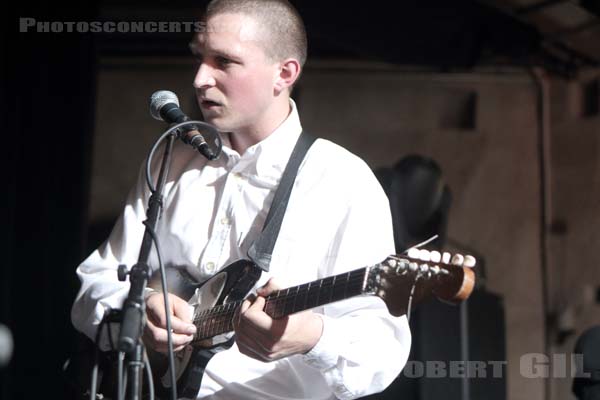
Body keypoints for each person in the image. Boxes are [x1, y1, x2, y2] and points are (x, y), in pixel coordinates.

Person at [71, 0, 411, 398]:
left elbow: (384, 349)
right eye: (199, 58)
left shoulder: (343, 181)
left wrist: (313, 338)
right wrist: (141, 308)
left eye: (224, 62)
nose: (200, 78)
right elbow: (92, 285)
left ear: (284, 74)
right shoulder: (172, 158)